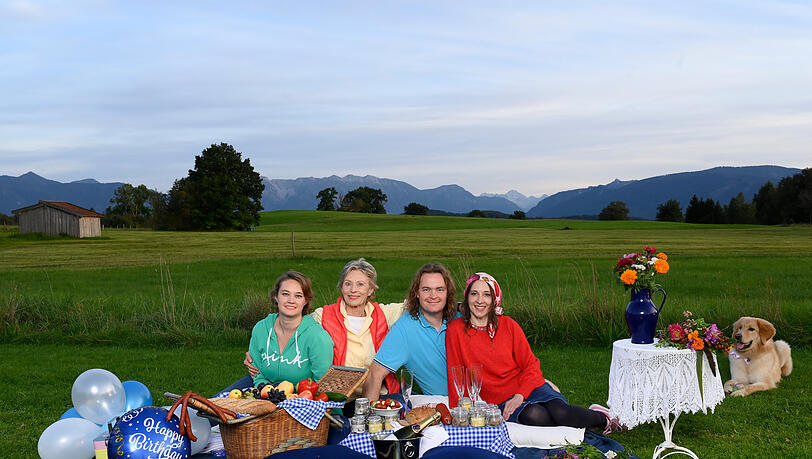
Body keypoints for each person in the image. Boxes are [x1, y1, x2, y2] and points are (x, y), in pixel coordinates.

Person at [445, 272, 623, 434]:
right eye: (474, 294)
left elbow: (531, 363)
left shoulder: (508, 325)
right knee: (535, 416)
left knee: (560, 412)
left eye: (486, 294)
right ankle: (579, 422)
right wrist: (458, 413)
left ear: (494, 299)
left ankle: (603, 418)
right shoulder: (455, 330)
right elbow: (456, 373)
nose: (480, 300)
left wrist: (520, 395)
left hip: (526, 387)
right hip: (499, 399)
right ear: (467, 297)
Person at [244, 258, 406, 394]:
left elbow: (414, 304)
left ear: (370, 290)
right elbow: (293, 323)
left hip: (378, 392)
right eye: (348, 284)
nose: (353, 290)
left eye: (360, 285)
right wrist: (260, 354)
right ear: (341, 287)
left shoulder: (384, 313)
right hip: (339, 395)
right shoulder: (323, 316)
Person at [362, 262, 458, 400]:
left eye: (440, 289)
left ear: (447, 293)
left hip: (481, 398)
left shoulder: (460, 317)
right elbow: (375, 374)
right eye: (426, 289)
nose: (433, 295)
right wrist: (367, 411)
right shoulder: (405, 329)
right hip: (444, 404)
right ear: (416, 293)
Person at [248, 271, 333, 386]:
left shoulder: (318, 337)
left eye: (298, 296)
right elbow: (256, 371)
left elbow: (322, 381)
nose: (291, 301)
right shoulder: (261, 329)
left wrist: (298, 395)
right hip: (264, 387)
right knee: (222, 397)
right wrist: (265, 390)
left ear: (306, 301)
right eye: (285, 294)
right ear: (276, 296)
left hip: (303, 393)